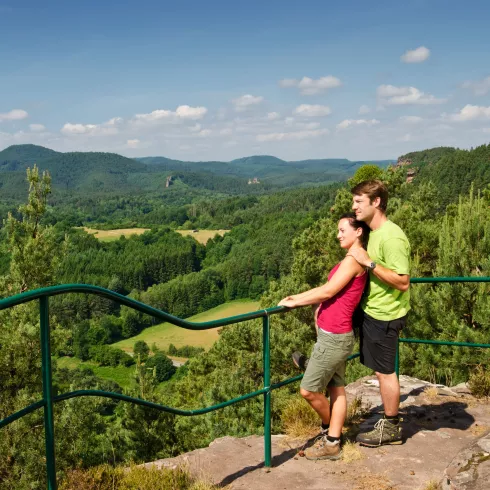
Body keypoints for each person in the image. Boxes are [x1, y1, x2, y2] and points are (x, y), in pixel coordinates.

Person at [278, 213, 370, 460]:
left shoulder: (353, 260)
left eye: (342, 230)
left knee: (308, 390)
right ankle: (332, 441)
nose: (338, 234)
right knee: (337, 389)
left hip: (335, 337)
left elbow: (328, 290)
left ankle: (330, 432)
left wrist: (294, 300)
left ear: (358, 231)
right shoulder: (353, 258)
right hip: (338, 335)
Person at [348, 179, 410, 447]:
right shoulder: (374, 232)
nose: (354, 207)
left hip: (386, 315)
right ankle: (319, 367)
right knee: (379, 368)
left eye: (359, 201)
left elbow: (402, 281)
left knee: (386, 372)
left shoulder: (392, 236)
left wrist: (367, 261)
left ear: (376, 202)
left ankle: (392, 427)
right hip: (373, 311)